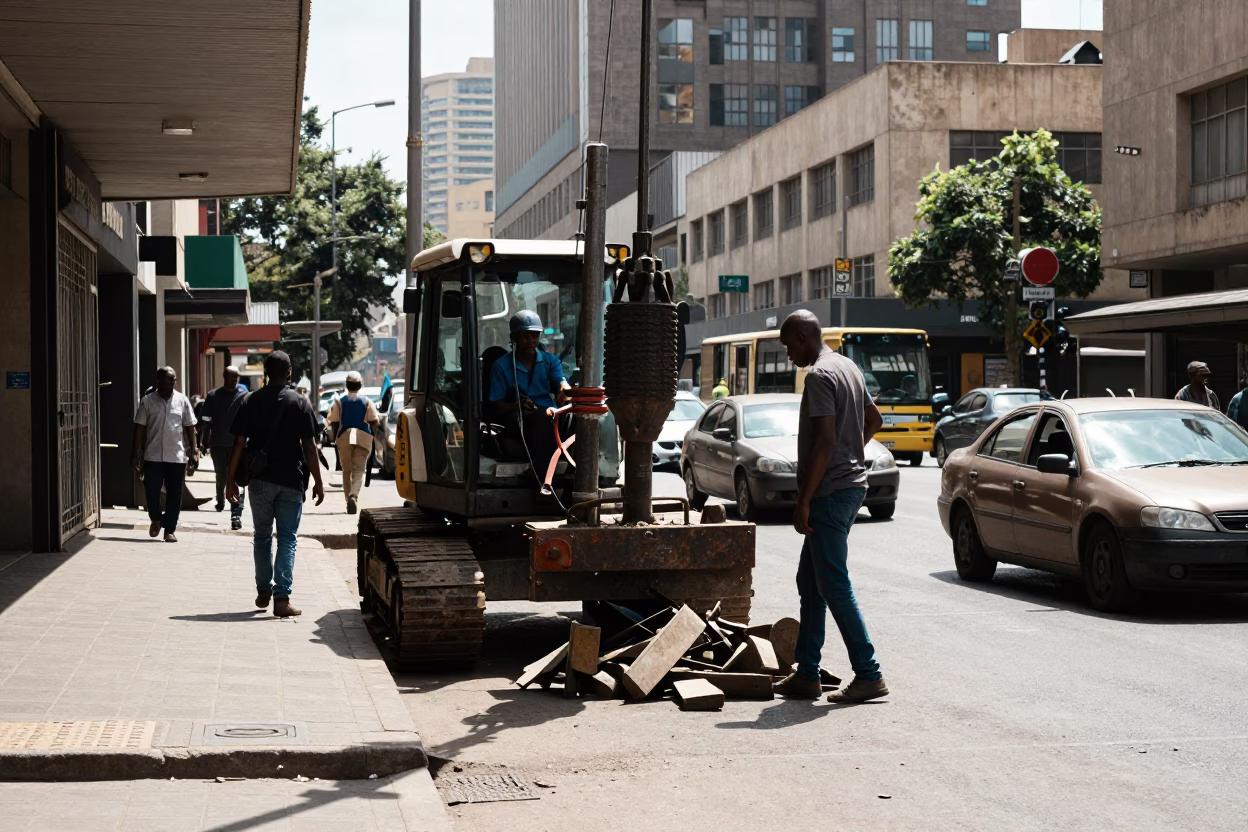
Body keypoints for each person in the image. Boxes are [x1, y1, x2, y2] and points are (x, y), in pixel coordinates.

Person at [774, 310, 888, 703]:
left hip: (829, 493)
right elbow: (875, 419)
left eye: (790, 346)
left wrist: (803, 499)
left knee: (834, 585)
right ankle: (807, 674)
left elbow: (823, 442)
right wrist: (851, 448)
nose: (789, 354)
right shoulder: (848, 367)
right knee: (811, 582)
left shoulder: (820, 375)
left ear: (805, 337)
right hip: (849, 487)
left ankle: (869, 673)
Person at [226, 351, 325, 618]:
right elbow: (309, 447)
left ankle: (263, 588)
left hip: (259, 481)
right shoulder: (300, 402)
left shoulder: (251, 401)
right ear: (289, 372)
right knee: (287, 539)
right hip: (291, 481)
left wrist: (229, 481)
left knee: (262, 536)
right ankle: (282, 599)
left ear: (266, 372)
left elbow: (238, 443)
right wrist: (318, 481)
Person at [486, 311, 571, 480]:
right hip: (516, 419)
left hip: (549, 415)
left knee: (574, 418)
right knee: (543, 416)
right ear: (514, 338)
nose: (531, 341)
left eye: (535, 336)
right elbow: (495, 405)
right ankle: (541, 475)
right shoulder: (501, 366)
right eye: (526, 336)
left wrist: (565, 391)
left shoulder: (550, 361)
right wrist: (517, 405)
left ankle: (577, 473)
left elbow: (560, 383)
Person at [132, 366, 199, 542]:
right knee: (151, 492)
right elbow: (139, 428)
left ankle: (169, 529)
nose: (172, 382)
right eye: (168, 379)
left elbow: (190, 427)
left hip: (176, 456)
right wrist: (135, 452)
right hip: (152, 455)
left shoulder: (182, 400)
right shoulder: (148, 401)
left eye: (173, 379)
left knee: (175, 495)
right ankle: (155, 518)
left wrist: (194, 450)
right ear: (159, 380)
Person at [199, 366, 249, 529]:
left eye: (237, 378)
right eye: (231, 377)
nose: (234, 381)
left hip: (239, 446)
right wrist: (203, 442)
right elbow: (206, 422)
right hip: (218, 444)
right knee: (221, 475)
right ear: (224, 376)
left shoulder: (243, 398)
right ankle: (220, 500)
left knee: (237, 477)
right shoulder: (213, 396)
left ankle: (236, 513)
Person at [327, 371, 379, 514]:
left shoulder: (339, 401)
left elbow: (334, 421)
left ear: (347, 385)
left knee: (347, 470)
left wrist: (335, 439)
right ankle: (353, 496)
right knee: (359, 470)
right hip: (362, 437)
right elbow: (374, 420)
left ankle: (348, 498)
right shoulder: (367, 401)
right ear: (360, 385)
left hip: (345, 436)